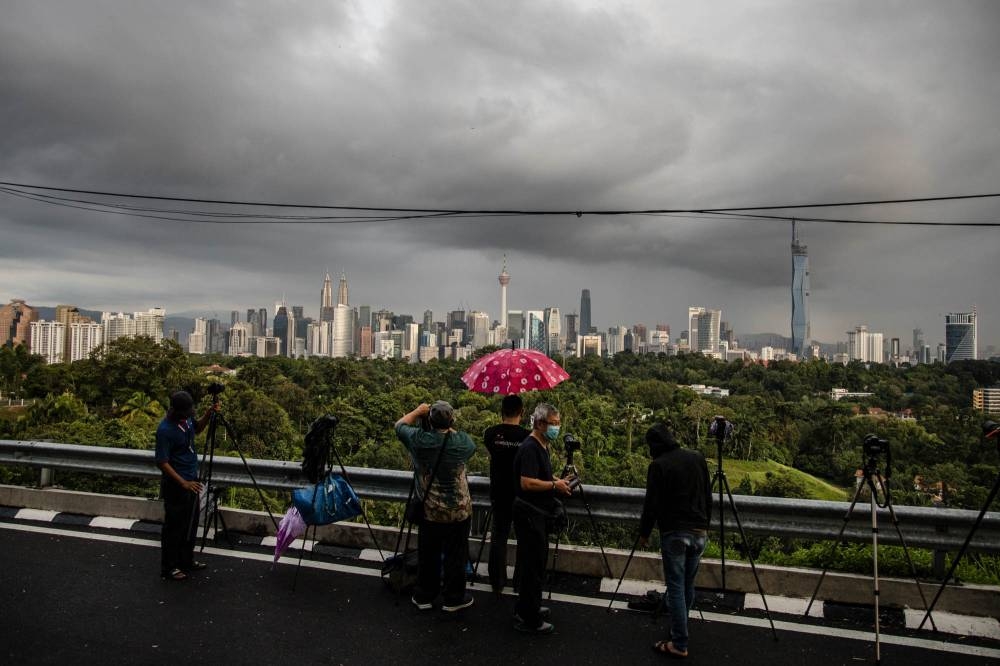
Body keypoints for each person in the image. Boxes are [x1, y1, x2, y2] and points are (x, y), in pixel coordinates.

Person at [395, 401, 477, 612]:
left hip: (430, 511)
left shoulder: (419, 441)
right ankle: (453, 598)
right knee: (455, 555)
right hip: (458, 511)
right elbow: (469, 447)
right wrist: (449, 426)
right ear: (451, 421)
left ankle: (424, 595)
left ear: (429, 421)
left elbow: (399, 426)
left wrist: (417, 412)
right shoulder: (462, 442)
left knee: (428, 554)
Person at [638, 423, 711, 659]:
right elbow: (707, 496)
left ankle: (679, 642)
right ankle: (680, 627)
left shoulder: (658, 465)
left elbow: (652, 504)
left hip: (675, 533)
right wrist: (705, 525)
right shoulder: (696, 457)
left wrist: (644, 533)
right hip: (700, 531)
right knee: (687, 584)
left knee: (676, 587)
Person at [512, 403, 572, 634]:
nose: (556, 428)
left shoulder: (542, 446)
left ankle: (528, 607)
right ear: (539, 423)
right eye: (553, 424)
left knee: (535, 564)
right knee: (533, 566)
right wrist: (554, 485)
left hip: (536, 513)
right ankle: (529, 619)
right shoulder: (530, 447)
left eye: (558, 423)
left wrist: (556, 480)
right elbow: (526, 482)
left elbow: (540, 475)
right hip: (529, 513)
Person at [154, 390, 215, 581]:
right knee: (174, 528)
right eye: (187, 412)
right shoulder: (165, 430)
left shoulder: (186, 421)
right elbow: (162, 462)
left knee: (190, 524)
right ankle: (169, 567)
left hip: (192, 481)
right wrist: (183, 483)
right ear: (177, 411)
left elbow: (197, 429)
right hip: (177, 485)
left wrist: (208, 414)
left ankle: (186, 560)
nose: (190, 414)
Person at [482, 394, 530, 596]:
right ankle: (520, 583)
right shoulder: (527, 437)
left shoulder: (491, 434)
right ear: (522, 412)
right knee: (524, 539)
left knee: (499, 537)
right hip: (521, 494)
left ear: (501, 411)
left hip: (499, 492)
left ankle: (497, 581)